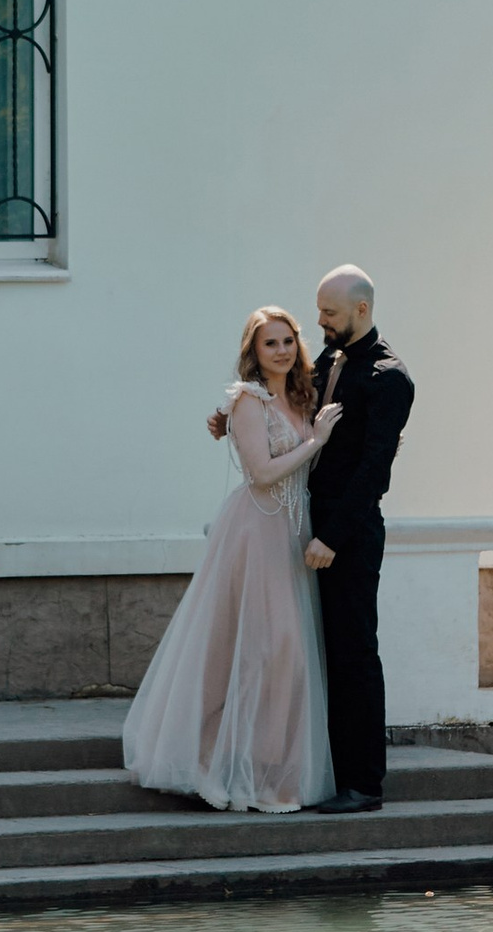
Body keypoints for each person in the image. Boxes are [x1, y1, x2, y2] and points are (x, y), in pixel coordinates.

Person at [205, 263, 414, 818]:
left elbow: (374, 471)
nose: (317, 321)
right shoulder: (329, 359)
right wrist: (229, 414)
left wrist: (331, 537)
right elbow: (283, 400)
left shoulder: (390, 377)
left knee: (352, 654)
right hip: (296, 528)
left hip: (343, 536)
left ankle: (363, 784)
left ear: (361, 311)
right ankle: (313, 770)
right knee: (309, 654)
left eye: (328, 313)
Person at [123, 306, 341, 812]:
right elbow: (263, 474)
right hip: (256, 529)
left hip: (291, 531)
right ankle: (217, 762)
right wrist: (315, 442)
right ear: (254, 352)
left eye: (288, 341)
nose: (282, 351)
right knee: (264, 648)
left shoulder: (301, 394)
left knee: (287, 654)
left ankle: (267, 771)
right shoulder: (247, 399)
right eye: (271, 344)